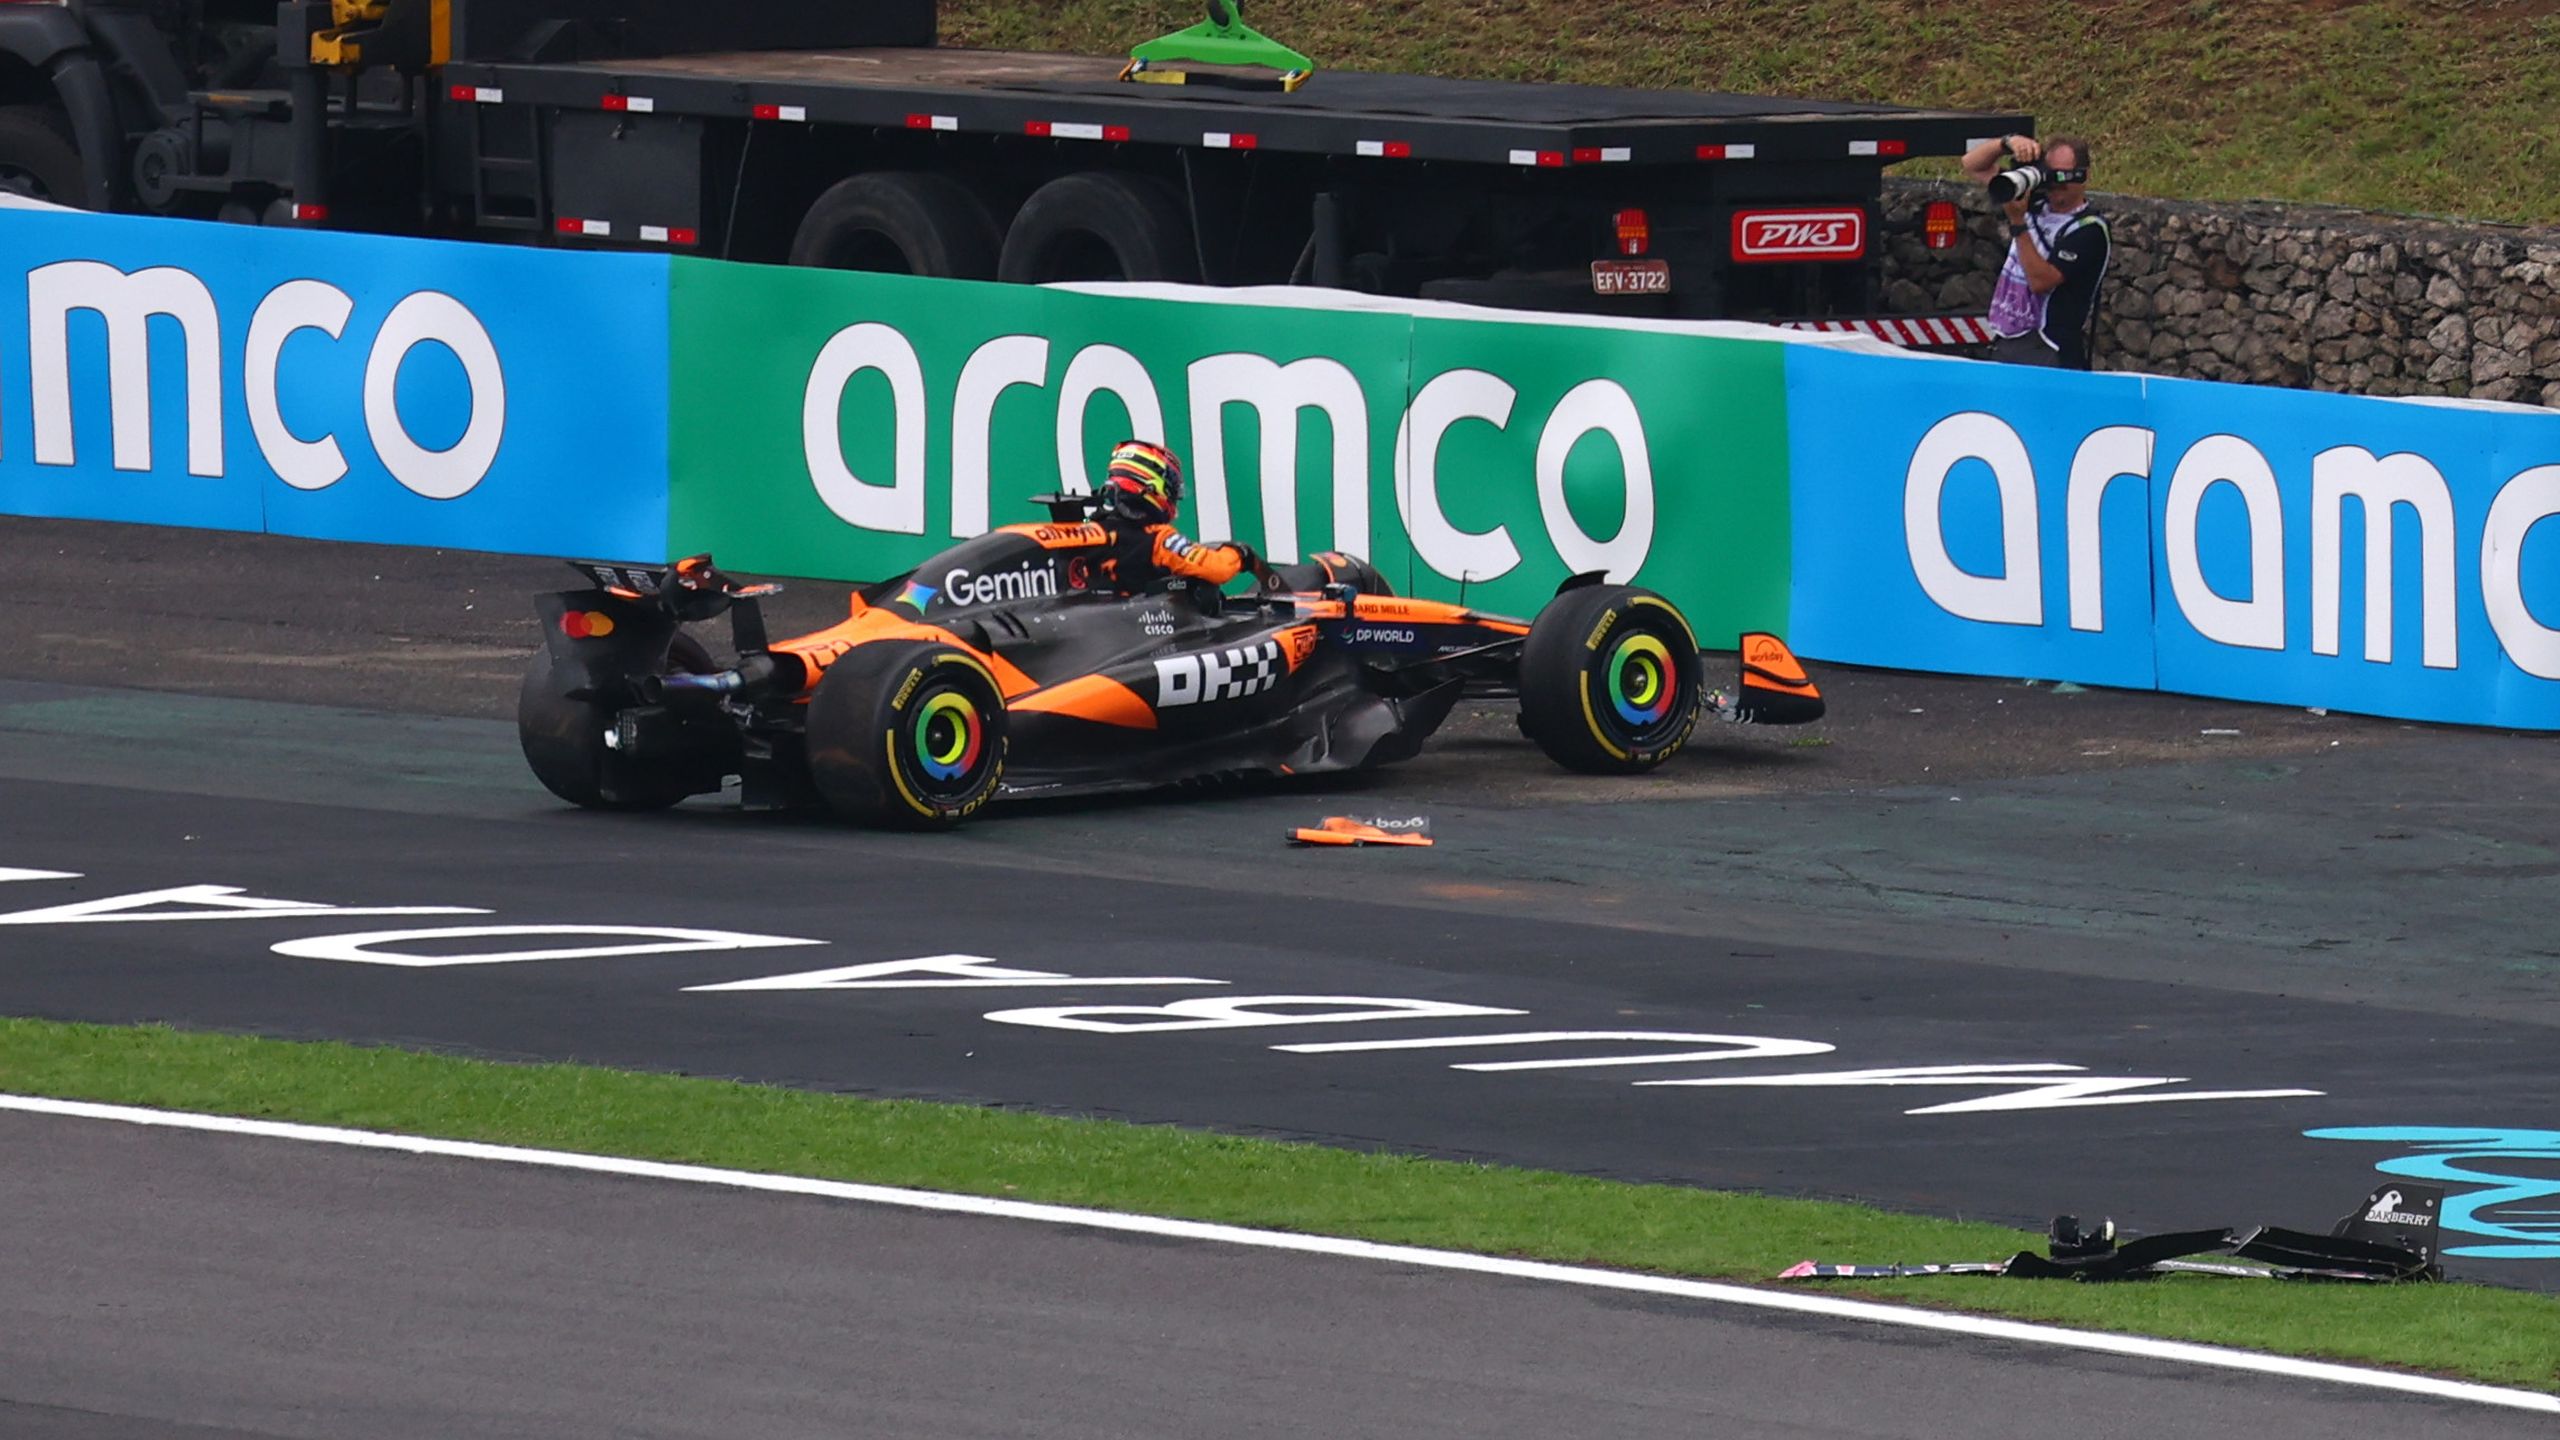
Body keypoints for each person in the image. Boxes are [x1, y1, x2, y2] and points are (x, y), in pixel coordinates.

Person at [1962, 133, 2109, 370]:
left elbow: (2040, 281)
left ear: (2084, 176)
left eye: (2064, 176)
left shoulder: (2089, 230)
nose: (2056, 184)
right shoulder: (2034, 203)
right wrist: (2007, 143)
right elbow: (1972, 164)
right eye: (2050, 175)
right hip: (2008, 338)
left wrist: (2018, 223)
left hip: (2048, 349)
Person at [1089, 439, 1266, 592]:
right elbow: (1218, 568)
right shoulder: (1158, 539)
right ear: (1152, 487)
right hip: (1140, 620)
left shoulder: (1088, 530)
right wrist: (1241, 554)